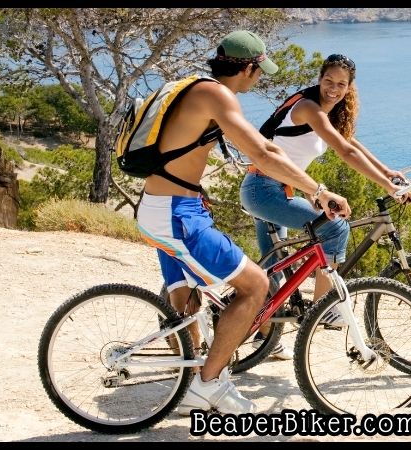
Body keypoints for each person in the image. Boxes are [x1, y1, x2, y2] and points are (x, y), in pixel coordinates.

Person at [136, 30, 350, 415]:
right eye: (259, 70)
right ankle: (207, 385)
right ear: (248, 67)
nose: (260, 77)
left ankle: (188, 379)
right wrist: (318, 191)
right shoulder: (217, 95)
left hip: (159, 205)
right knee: (256, 285)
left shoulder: (192, 86)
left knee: (186, 292)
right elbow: (263, 152)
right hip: (175, 213)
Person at [239, 53, 411, 359]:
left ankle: (263, 339)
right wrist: (387, 188)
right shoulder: (308, 108)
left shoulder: (326, 111)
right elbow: (344, 151)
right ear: (320, 79)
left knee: (272, 273)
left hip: (274, 188)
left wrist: (386, 172)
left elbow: (351, 142)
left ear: (349, 87)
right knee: (334, 228)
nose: (333, 88)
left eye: (341, 84)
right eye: (328, 81)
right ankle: (323, 310)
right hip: (264, 190)